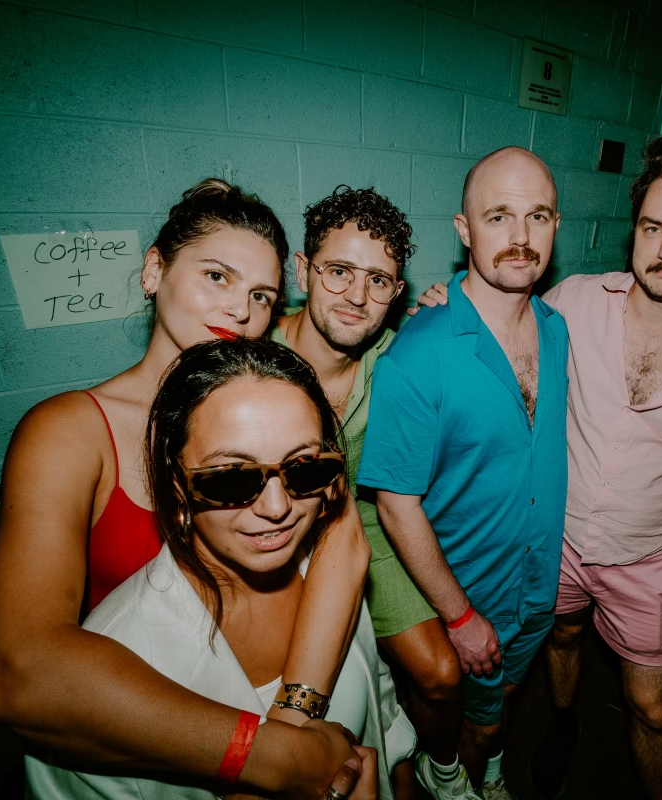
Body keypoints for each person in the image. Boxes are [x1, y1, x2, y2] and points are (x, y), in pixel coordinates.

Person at [414, 129, 662, 800]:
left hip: (647, 558)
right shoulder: (572, 302)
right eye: (653, 227)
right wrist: (442, 300)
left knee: (654, 709)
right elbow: (497, 319)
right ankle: (562, 722)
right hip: (550, 541)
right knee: (561, 637)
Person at [0, 179, 374, 799]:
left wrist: (293, 720)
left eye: (262, 295)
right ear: (153, 270)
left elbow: (344, 542)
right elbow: (20, 670)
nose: (241, 311)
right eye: (217, 276)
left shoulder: (273, 404)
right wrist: (271, 757)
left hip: (279, 673)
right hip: (148, 713)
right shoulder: (70, 431)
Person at [27, 338, 417, 799]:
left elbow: (381, 706)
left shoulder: (328, 571)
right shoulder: (113, 665)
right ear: (177, 484)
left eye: (305, 469)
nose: (277, 508)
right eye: (233, 477)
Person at [359, 147, 571, 800]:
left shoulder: (556, 328)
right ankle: (461, 776)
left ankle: (486, 761)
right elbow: (395, 504)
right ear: (464, 229)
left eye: (538, 216)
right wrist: (458, 617)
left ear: (556, 226)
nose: (520, 236)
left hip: (537, 586)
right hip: (471, 595)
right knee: (477, 722)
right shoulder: (419, 353)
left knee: (499, 706)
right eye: (498, 216)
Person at [270, 186, 463, 799]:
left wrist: (443, 309)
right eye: (339, 271)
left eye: (378, 281)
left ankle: (444, 770)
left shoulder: (399, 357)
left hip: (369, 526)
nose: (357, 296)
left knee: (442, 674)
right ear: (303, 269)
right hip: (270, 535)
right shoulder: (253, 353)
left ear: (397, 291)